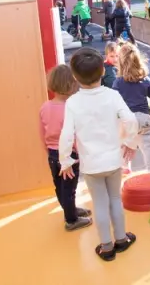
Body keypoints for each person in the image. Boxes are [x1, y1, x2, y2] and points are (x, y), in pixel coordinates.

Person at [59, 47, 139, 261]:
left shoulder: (72, 102)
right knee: (115, 199)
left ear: (74, 76)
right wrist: (130, 142)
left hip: (91, 165)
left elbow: (66, 135)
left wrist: (65, 160)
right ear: (103, 70)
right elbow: (131, 120)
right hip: (113, 161)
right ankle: (121, 239)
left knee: (100, 204)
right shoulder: (112, 95)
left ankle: (106, 247)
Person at [39, 65, 92, 231]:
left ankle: (70, 210)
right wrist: (81, 153)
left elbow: (42, 132)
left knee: (60, 187)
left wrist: (49, 151)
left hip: (53, 154)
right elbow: (73, 135)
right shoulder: (70, 110)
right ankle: (71, 220)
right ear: (71, 85)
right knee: (69, 189)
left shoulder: (45, 107)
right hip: (68, 155)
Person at [112, 43, 150, 173]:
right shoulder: (144, 79)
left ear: (120, 63)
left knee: (124, 143)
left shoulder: (118, 82)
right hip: (144, 118)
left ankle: (125, 167)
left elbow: (113, 102)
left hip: (127, 120)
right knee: (148, 147)